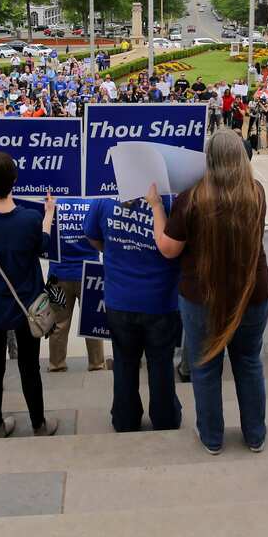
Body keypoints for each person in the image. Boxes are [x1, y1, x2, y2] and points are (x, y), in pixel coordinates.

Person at [145, 129, 268, 454]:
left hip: (203, 296)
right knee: (248, 361)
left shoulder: (192, 198)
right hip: (251, 293)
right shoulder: (256, 192)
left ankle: (212, 438)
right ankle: (255, 435)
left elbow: (168, 249)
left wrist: (157, 207)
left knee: (205, 365)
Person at [0, 153, 60, 438]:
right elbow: (42, 244)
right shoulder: (30, 219)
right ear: (15, 181)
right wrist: (49, 214)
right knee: (29, 367)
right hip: (27, 305)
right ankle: (38, 424)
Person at [84, 182, 183, 434]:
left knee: (125, 362)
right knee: (160, 363)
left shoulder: (104, 199)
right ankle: (165, 418)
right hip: (159, 300)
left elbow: (91, 234)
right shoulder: (169, 201)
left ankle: (125, 419)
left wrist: (114, 251)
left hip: (120, 299)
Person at [47, 197, 108, 373]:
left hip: (58, 273)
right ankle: (96, 364)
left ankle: (56, 364)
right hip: (90, 271)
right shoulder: (93, 204)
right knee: (92, 321)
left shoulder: (52, 202)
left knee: (58, 323)